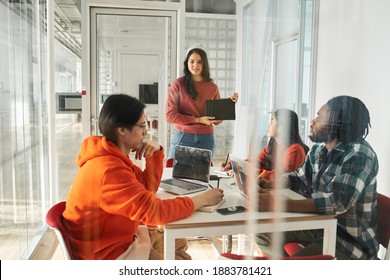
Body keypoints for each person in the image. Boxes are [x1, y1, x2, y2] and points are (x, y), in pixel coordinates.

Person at [62, 94, 224, 260]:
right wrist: (202, 199)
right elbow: (156, 212)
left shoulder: (112, 156)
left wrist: (154, 154)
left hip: (118, 237)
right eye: (141, 126)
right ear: (122, 130)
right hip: (108, 253)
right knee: (181, 257)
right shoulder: (109, 171)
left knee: (178, 242)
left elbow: (148, 189)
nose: (146, 132)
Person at [256, 95, 379, 260]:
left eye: (320, 117)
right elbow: (299, 178)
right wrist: (270, 183)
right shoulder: (318, 150)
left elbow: (337, 202)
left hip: (347, 241)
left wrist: (276, 205)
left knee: (296, 262)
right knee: (262, 232)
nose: (312, 121)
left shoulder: (359, 153)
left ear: (337, 123)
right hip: (318, 227)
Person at [165, 44, 239, 159]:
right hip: (182, 136)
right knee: (175, 174)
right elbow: (169, 116)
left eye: (200, 62)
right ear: (187, 63)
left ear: (205, 64)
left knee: (203, 176)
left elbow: (216, 121)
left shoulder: (212, 87)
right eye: (192, 61)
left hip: (206, 138)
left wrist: (228, 105)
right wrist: (197, 120)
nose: (195, 65)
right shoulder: (178, 84)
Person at [219, 109, 309, 182]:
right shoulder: (274, 145)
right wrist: (233, 165)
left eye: (272, 121)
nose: (268, 125)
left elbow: (281, 176)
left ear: (281, 128)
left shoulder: (296, 150)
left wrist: (247, 170)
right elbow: (258, 161)